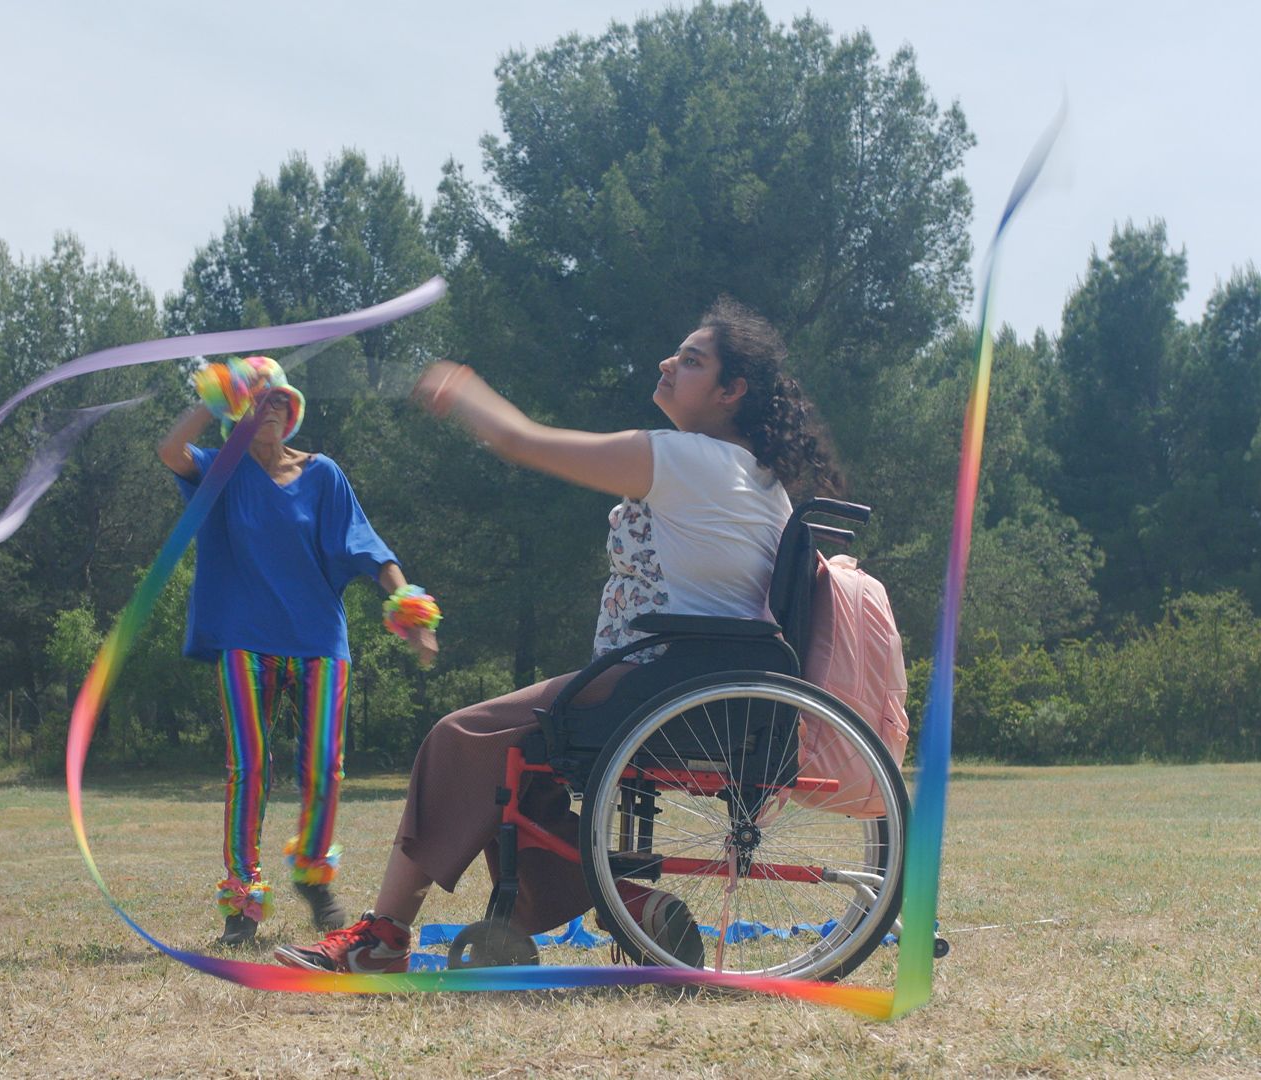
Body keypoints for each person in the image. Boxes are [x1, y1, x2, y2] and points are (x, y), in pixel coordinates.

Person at [276, 297, 840, 974]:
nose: (668, 363)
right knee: (518, 764)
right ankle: (629, 903)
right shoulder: (763, 482)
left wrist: (466, 392)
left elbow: (524, 441)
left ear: (731, 391)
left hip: (659, 684)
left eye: (692, 360)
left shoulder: (685, 459)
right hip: (718, 694)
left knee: (458, 736)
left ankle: (383, 938)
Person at [157, 355, 439, 947]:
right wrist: (213, 398)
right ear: (239, 412)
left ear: (293, 412)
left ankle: (314, 875)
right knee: (249, 770)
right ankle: (243, 899)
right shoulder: (224, 471)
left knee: (324, 769)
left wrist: (410, 609)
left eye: (280, 400)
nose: (272, 409)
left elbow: (369, 547)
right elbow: (170, 451)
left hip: (319, 643)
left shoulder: (323, 473)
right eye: (259, 401)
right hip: (245, 642)